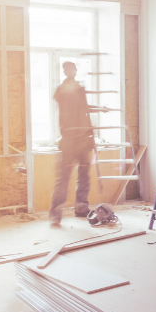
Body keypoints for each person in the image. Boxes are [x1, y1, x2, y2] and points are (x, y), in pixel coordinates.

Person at [50, 61, 96, 227]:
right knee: (63, 177)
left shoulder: (78, 88)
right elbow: (65, 103)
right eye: (66, 69)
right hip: (69, 140)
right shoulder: (62, 90)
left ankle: (81, 207)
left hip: (83, 139)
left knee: (84, 175)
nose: (70, 72)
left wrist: (99, 108)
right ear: (64, 72)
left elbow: (85, 107)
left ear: (76, 70)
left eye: (72, 69)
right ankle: (55, 214)